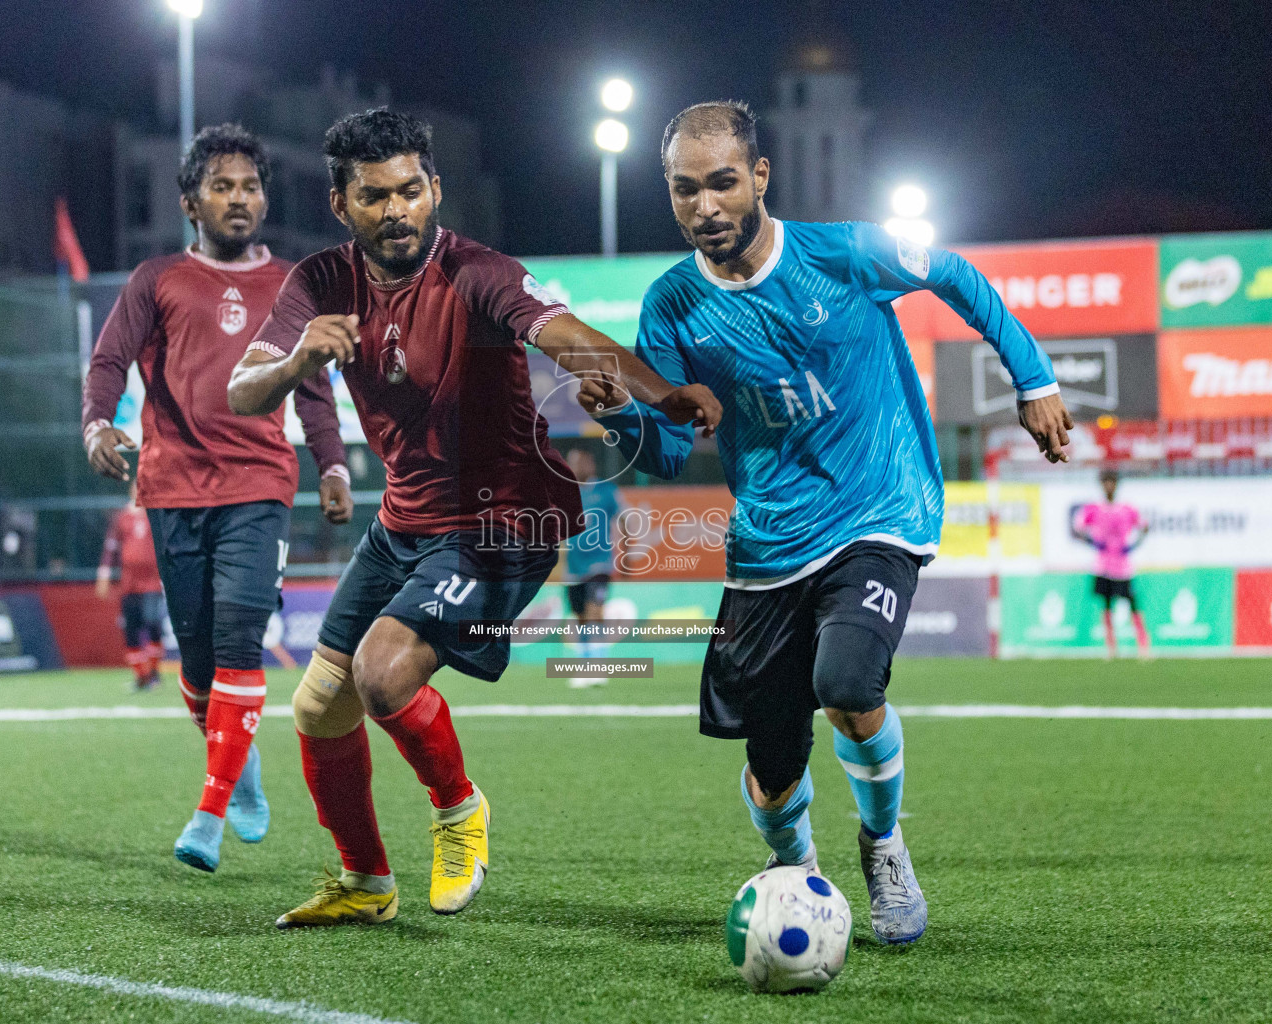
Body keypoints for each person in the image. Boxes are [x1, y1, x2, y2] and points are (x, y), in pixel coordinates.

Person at [579, 101, 1072, 945]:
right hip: (768, 545)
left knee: (848, 687)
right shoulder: (670, 307)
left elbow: (953, 273)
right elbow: (664, 452)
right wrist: (623, 414)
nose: (705, 207)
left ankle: (882, 842)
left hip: (881, 507)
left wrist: (1033, 379)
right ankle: (795, 872)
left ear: (761, 177)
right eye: (685, 190)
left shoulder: (841, 253)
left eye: (724, 183)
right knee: (772, 772)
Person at [227, 108, 720, 926]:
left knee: (381, 675)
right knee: (317, 708)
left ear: (436, 189)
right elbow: (242, 396)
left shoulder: (476, 271)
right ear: (340, 204)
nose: (398, 211)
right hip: (404, 524)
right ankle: (365, 882)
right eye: (376, 196)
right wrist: (295, 361)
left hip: (503, 520)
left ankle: (458, 811)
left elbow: (573, 339)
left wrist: (665, 394)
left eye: (412, 191)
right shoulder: (316, 284)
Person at [82, 123, 352, 874]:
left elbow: (315, 387)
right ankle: (240, 765)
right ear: (190, 203)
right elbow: (107, 359)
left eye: (251, 186)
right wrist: (97, 424)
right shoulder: (156, 279)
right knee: (197, 664)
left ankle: (208, 813)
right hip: (171, 489)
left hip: (259, 486)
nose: (240, 198)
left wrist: (330, 465)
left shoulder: (294, 285)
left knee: (237, 640)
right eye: (223, 186)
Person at [562, 447, 624, 688]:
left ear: (590, 465)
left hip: (599, 564)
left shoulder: (606, 490)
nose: (573, 468)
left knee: (593, 611)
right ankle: (585, 666)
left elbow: (625, 519)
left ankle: (598, 666)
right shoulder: (566, 492)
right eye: (570, 464)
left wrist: (626, 555)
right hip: (573, 567)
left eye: (578, 463)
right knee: (579, 616)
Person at [1072, 468, 1150, 659]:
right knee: (1106, 605)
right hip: (1103, 566)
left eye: (1112, 481)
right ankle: (1111, 647)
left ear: (1116, 485)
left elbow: (1144, 526)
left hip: (1123, 567)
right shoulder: (1093, 509)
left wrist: (1133, 545)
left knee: (1132, 603)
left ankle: (1143, 643)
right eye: (1105, 482)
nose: (1109, 486)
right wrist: (1092, 542)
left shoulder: (1127, 509)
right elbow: (1077, 528)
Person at [97, 480, 166, 691]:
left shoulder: (156, 515)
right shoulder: (123, 517)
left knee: (153, 623)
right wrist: (104, 574)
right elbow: (111, 547)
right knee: (131, 628)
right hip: (129, 583)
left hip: (153, 582)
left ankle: (153, 672)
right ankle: (141, 677)